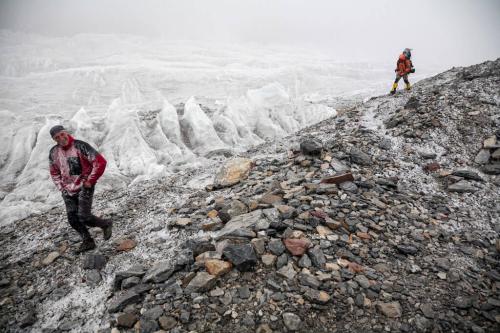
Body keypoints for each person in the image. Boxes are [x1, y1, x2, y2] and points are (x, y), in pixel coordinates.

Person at [48, 125, 112, 253]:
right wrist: (62, 188)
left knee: (84, 216)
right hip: (67, 190)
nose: (61, 138)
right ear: (54, 139)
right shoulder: (54, 152)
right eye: (56, 137)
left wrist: (90, 180)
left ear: (66, 133)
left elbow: (100, 162)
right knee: (73, 219)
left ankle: (105, 224)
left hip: (84, 186)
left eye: (62, 134)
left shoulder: (80, 146)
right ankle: (88, 241)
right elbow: (54, 172)